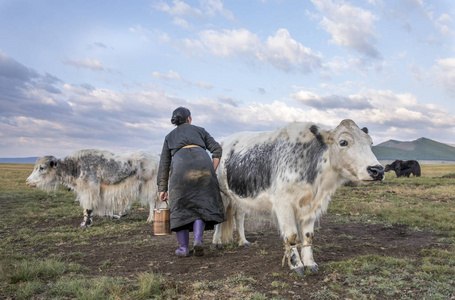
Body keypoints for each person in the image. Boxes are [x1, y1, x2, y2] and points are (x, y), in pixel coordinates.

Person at [157, 107, 225, 257]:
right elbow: (217, 150)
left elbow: (164, 164)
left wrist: (162, 188)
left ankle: (183, 249)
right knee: (201, 204)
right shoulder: (200, 130)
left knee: (181, 207)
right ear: (189, 119)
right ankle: (198, 241)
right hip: (203, 166)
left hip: (181, 170)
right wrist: (212, 169)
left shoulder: (169, 136)